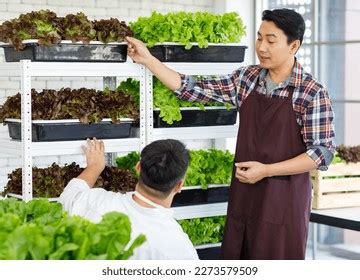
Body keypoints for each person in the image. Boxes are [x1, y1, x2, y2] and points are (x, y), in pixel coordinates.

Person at [125, 8, 335, 260]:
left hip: (283, 202)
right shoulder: (247, 78)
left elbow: (321, 153)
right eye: (259, 38)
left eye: (271, 40)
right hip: (244, 192)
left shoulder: (311, 92)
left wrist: (266, 170)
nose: (262, 47)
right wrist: (148, 60)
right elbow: (194, 88)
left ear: (294, 46)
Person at [59, 138, 199, 260]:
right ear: (179, 185)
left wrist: (95, 167)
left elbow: (68, 197)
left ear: (138, 168)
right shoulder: (179, 249)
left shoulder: (95, 203)